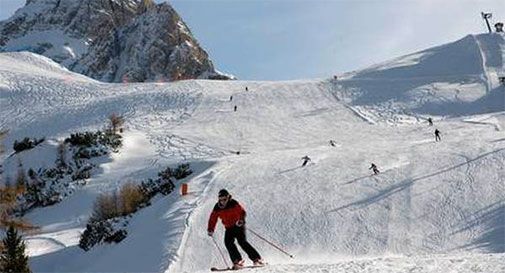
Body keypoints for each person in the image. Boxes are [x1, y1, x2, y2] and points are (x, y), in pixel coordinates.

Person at [208, 189, 264, 270]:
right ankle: (238, 261)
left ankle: (257, 259)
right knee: (228, 243)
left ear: (228, 198)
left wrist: (241, 220)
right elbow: (213, 218)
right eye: (221, 199)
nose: (223, 201)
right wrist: (211, 229)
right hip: (228, 227)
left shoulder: (233, 203)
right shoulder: (217, 207)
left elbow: (242, 212)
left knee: (242, 242)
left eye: (224, 199)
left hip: (238, 225)